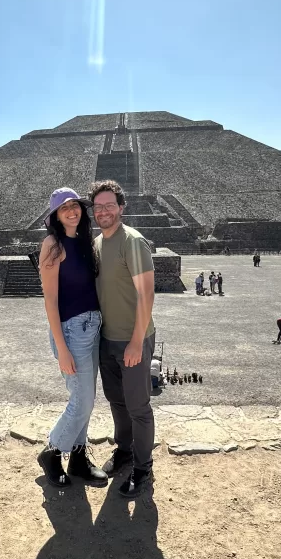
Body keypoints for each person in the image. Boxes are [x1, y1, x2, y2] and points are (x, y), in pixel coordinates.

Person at [35, 187, 106, 487]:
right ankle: (52, 451)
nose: (72, 211)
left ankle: (78, 458)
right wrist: (61, 348)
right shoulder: (53, 245)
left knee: (86, 399)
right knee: (82, 401)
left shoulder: (84, 241)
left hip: (93, 326)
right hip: (71, 331)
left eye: (75, 205)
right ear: (55, 215)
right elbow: (50, 300)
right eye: (64, 208)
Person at [90, 179, 157, 498]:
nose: (103, 211)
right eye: (98, 206)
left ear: (121, 208)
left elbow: (146, 294)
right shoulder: (97, 242)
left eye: (109, 205)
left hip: (134, 338)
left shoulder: (133, 241)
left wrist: (135, 341)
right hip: (107, 339)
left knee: (138, 406)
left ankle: (144, 467)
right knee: (117, 402)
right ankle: (124, 452)